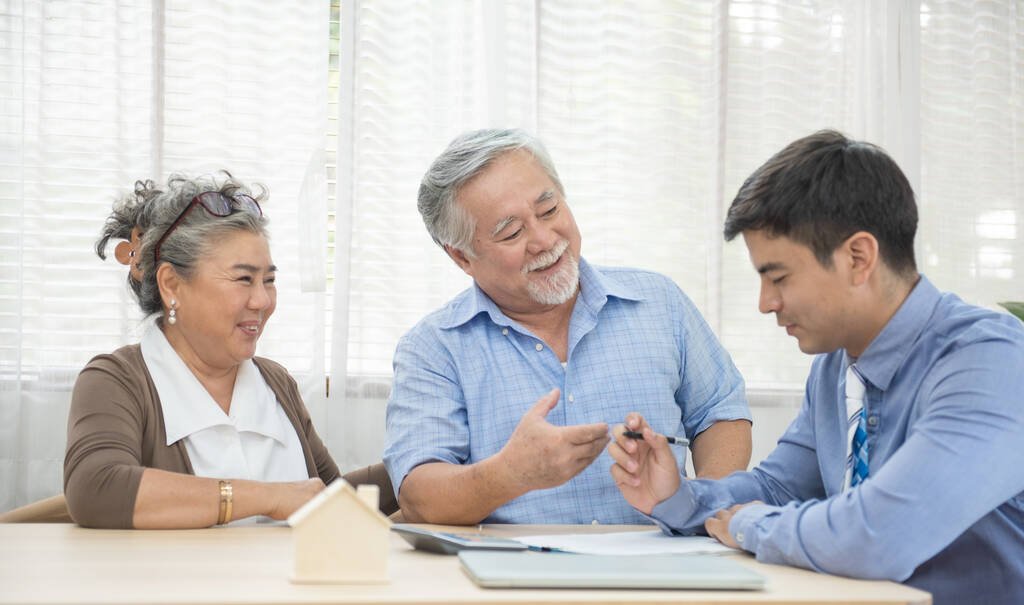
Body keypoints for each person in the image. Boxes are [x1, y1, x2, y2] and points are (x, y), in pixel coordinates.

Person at [608, 130, 1024, 604]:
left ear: (858, 258)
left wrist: (748, 523)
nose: (766, 303)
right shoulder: (836, 366)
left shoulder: (991, 361)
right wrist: (677, 497)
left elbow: (877, 535)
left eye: (778, 277)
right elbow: (779, 486)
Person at [384, 128, 752, 525]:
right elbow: (420, 494)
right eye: (511, 232)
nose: (544, 239)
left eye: (549, 211)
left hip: (661, 570)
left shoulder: (659, 301)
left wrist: (703, 508)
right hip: (511, 579)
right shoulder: (433, 348)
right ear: (462, 257)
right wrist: (508, 475)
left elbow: (720, 412)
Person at [65, 173, 338, 529]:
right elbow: (96, 489)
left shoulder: (275, 382)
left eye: (269, 280)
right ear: (171, 284)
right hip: (180, 585)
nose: (263, 300)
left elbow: (329, 496)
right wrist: (268, 497)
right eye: (244, 279)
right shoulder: (118, 380)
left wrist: (412, 471)